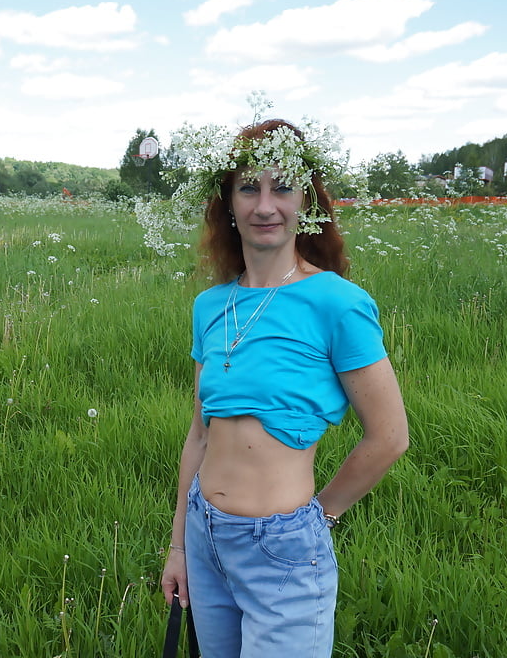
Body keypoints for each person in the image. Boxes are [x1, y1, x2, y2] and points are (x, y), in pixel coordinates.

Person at [160, 118, 409, 657]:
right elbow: (198, 437)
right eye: (249, 187)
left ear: (307, 202)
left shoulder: (337, 303)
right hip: (206, 539)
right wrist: (179, 545)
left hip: (285, 551)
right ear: (228, 202)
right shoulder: (210, 306)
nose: (265, 205)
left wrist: (316, 521)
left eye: (282, 187)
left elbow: (389, 437)